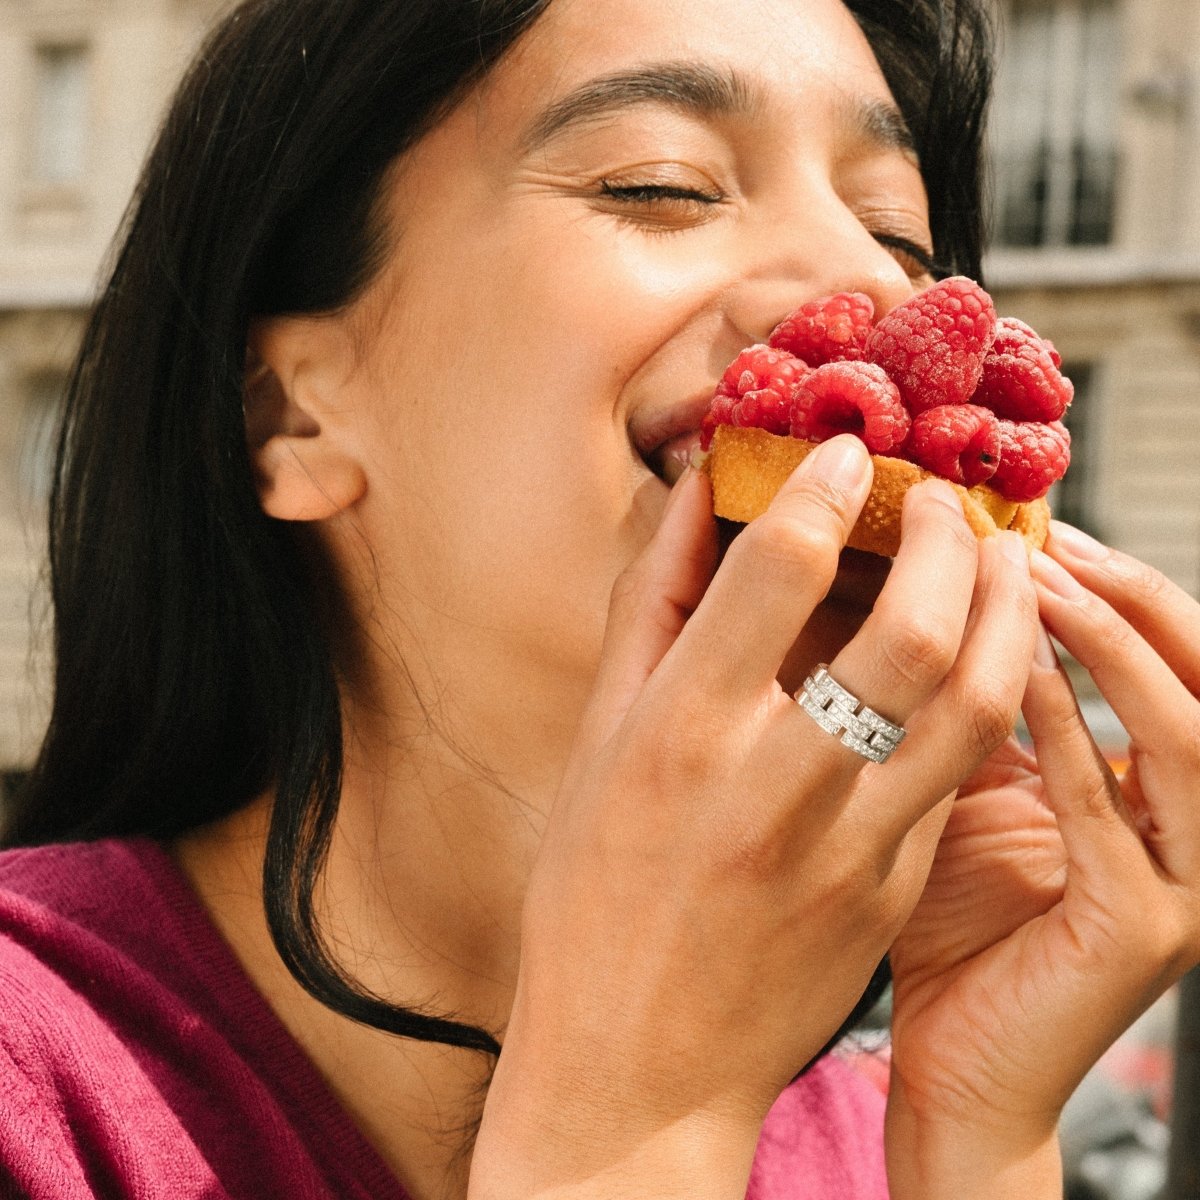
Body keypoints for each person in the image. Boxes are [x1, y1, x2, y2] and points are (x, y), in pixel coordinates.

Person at [2, 0, 1198, 1196]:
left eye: (899, 229)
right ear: (291, 414)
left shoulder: (860, 1133)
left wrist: (981, 1128)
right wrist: (630, 1127)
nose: (865, 281)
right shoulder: (33, 1080)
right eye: (660, 185)